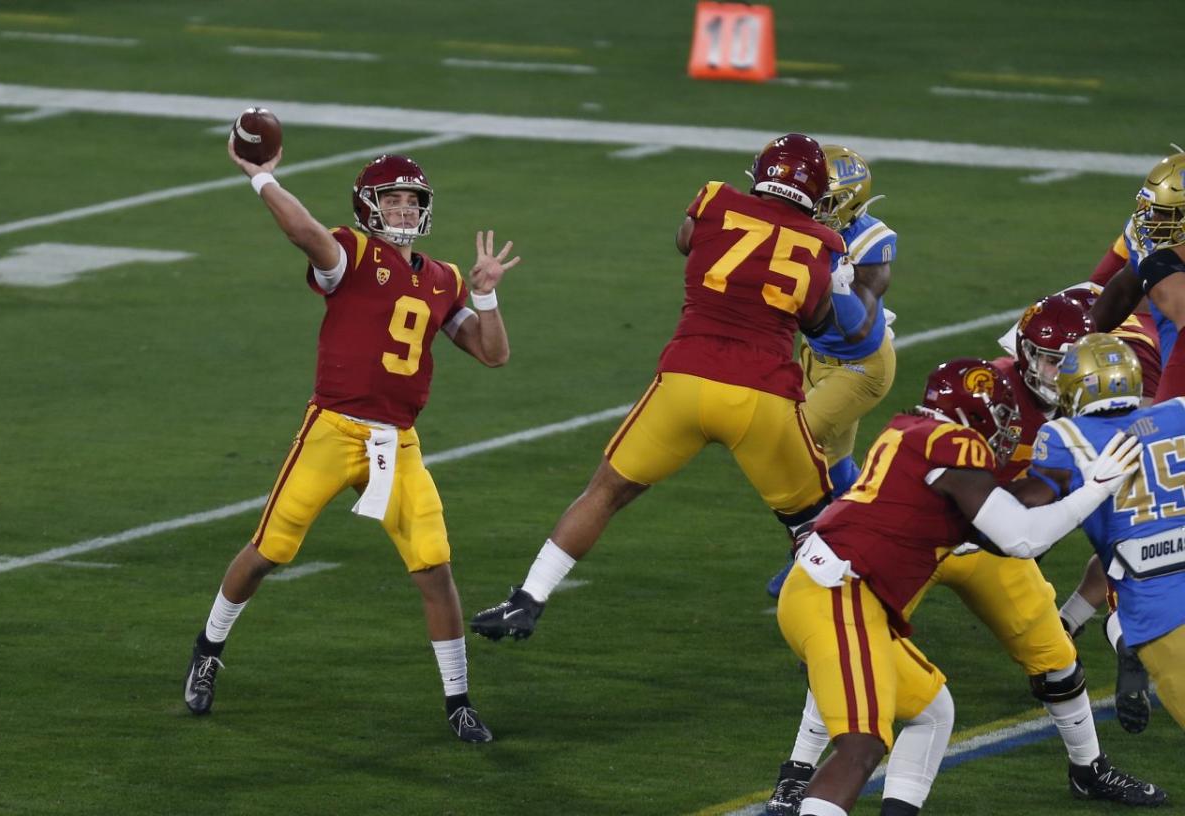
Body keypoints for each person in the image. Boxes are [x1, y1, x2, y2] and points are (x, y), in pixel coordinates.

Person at [181, 137, 521, 744]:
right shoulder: (352, 254)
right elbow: (305, 234)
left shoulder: (442, 278)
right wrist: (262, 179)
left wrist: (488, 293)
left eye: (411, 201)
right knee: (269, 551)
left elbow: (493, 355)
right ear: (368, 207)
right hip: (334, 428)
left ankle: (459, 701)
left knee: (435, 568)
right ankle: (208, 648)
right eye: (391, 201)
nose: (403, 211)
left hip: (399, 441)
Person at [768, 298, 1166, 814]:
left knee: (1050, 655)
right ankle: (798, 773)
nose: (1056, 371)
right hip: (941, 536)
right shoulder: (985, 402)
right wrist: (1087, 487)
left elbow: (1022, 519)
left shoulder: (1080, 408)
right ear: (1022, 355)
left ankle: (1088, 768)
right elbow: (1018, 521)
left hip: (981, 535)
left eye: (1067, 362)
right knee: (856, 654)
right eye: (1048, 358)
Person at [469, 134, 843, 641]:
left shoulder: (715, 198)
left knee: (605, 492)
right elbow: (819, 322)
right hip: (761, 395)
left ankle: (527, 599)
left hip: (685, 381)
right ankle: (844, 627)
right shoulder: (825, 244)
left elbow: (685, 239)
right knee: (813, 524)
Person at [1022, 333, 1185, 734]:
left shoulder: (1064, 438)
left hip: (1159, 613)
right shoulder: (1179, 412)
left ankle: (1118, 637)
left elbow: (1028, 512)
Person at [766, 144, 897, 598]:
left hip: (861, 365)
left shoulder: (872, 242)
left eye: (822, 198)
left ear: (848, 203)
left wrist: (835, 284)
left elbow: (859, 322)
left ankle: (812, 550)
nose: (809, 203)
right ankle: (871, 540)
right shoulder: (798, 226)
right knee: (835, 463)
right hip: (815, 357)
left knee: (790, 445)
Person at [1091, 152, 1185, 399]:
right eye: (1153, 210)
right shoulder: (1154, 246)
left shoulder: (1158, 258)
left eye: (1167, 214)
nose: (1154, 221)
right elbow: (1125, 290)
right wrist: (1081, 340)